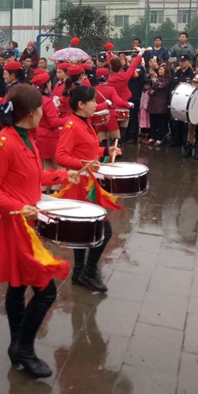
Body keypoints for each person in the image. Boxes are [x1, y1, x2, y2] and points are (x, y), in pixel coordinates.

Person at [0, 84, 78, 378]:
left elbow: (32, 176)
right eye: (40, 110)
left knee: (18, 285)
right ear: (30, 113)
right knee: (46, 292)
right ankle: (24, 348)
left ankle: (17, 346)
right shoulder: (3, 144)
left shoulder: (26, 138)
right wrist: (18, 207)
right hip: (14, 226)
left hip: (27, 224)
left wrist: (63, 175)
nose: (43, 115)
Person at [55, 86, 122, 292]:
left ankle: (79, 273)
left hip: (88, 184)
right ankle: (88, 271)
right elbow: (61, 156)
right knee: (103, 230)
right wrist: (84, 163)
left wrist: (106, 150)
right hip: (79, 186)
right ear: (81, 105)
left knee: (84, 231)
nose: (95, 104)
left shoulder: (86, 122)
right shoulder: (71, 125)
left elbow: (87, 149)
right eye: (92, 101)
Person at [32, 71, 64, 166]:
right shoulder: (47, 102)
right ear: (47, 84)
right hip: (50, 137)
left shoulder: (35, 99)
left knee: (46, 166)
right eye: (50, 83)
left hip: (40, 134)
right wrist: (69, 119)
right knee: (60, 167)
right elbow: (54, 122)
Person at [169, 54, 196, 146]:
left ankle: (185, 141)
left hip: (186, 101)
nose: (182, 63)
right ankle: (175, 140)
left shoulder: (192, 74)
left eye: (184, 61)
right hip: (176, 101)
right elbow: (172, 86)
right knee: (175, 121)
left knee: (185, 122)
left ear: (188, 62)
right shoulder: (176, 73)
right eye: (181, 61)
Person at [147, 62, 172, 146]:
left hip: (161, 103)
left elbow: (161, 86)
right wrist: (150, 91)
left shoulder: (168, 79)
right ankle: (152, 136)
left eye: (161, 69)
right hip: (153, 102)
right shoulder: (157, 78)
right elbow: (151, 87)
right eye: (159, 69)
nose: (159, 71)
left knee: (160, 122)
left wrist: (156, 80)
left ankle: (159, 138)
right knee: (152, 121)